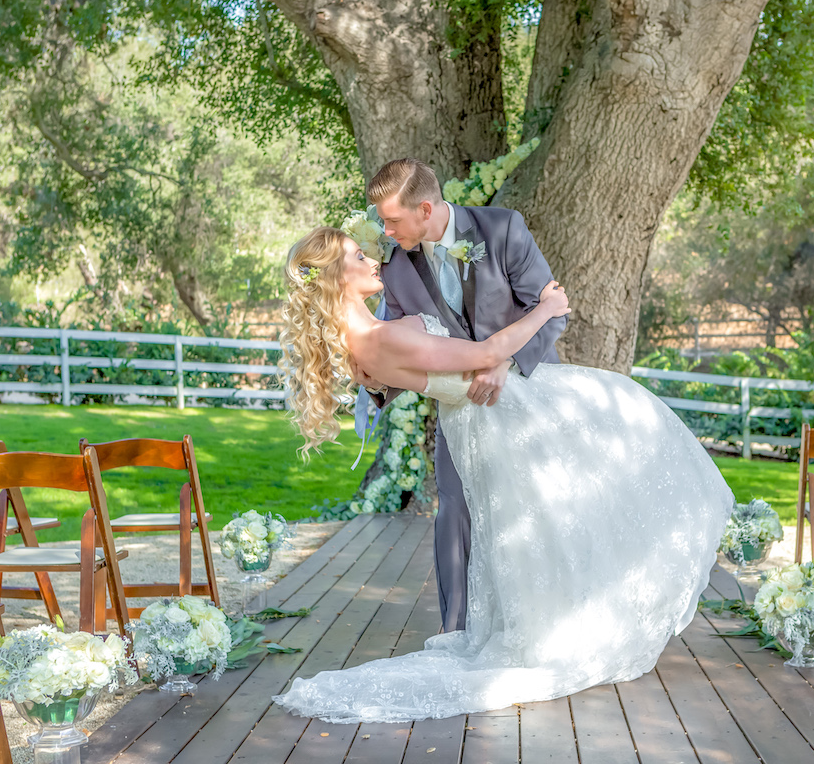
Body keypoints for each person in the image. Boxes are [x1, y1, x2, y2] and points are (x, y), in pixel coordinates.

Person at [273, 225, 735, 723]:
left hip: (493, 418)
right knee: (557, 519)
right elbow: (485, 356)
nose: (371, 259)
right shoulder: (377, 339)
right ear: (336, 278)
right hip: (504, 418)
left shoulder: (373, 332)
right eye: (357, 255)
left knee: (557, 521)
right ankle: (549, 637)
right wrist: (546, 310)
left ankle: (563, 624)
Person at [360, 157, 567, 634]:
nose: (385, 231)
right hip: (461, 409)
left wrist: (505, 364)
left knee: (536, 507)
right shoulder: (394, 267)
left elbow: (552, 311)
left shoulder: (503, 230)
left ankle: (540, 623)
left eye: (392, 220)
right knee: (454, 507)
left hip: (530, 398)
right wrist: (375, 381)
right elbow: (398, 340)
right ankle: (454, 630)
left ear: (426, 209)